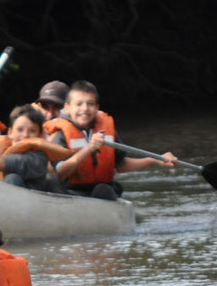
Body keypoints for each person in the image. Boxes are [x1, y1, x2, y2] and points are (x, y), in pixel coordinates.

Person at [45, 80, 177, 200]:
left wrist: (154, 160)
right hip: (70, 193)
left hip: (101, 192)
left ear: (97, 107)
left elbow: (120, 164)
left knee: (103, 190)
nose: (84, 109)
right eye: (79, 104)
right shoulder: (60, 134)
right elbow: (61, 173)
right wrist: (89, 148)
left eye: (90, 104)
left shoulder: (107, 129)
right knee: (50, 181)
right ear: (67, 108)